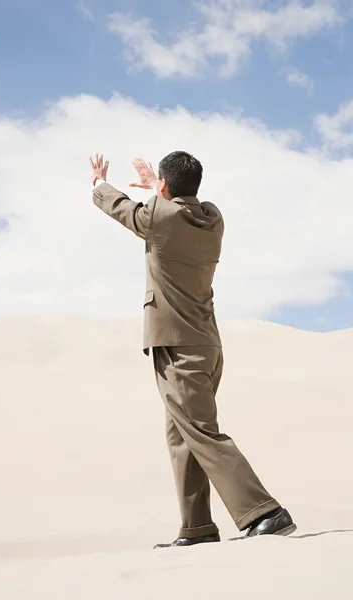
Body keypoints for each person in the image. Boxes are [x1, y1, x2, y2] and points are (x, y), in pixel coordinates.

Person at [89, 151, 296, 548]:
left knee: (201, 433)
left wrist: (99, 183)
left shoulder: (157, 217)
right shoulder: (212, 217)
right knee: (181, 436)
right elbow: (172, 208)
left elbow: (122, 209)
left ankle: (265, 512)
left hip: (178, 346)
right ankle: (198, 528)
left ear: (163, 187)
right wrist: (160, 189)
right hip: (206, 345)